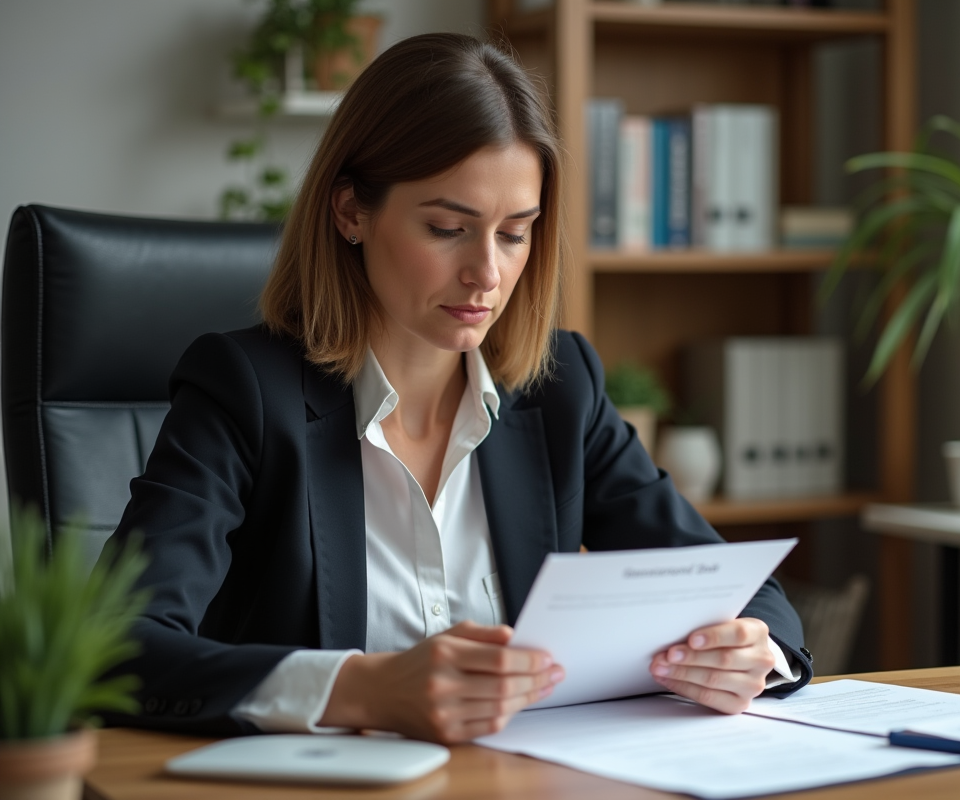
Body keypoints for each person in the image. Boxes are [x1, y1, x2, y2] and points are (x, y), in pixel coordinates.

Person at [104, 32, 812, 744]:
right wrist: (362, 688)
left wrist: (755, 650)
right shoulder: (243, 393)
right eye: (448, 228)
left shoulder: (559, 389)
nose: (488, 273)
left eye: (515, 234)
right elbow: (122, 646)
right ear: (351, 212)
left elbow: (741, 589)